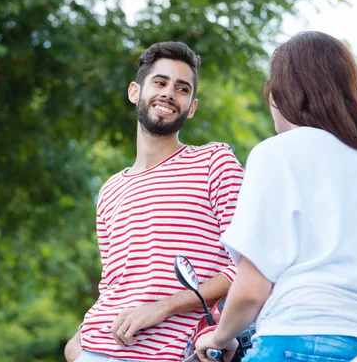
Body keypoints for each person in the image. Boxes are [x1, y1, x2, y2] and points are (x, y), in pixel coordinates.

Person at [194, 31, 357, 362]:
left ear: (284, 94)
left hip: (301, 341)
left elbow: (251, 290)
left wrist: (220, 337)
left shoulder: (277, 154)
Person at [64, 41, 245, 362]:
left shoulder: (215, 162)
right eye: (160, 82)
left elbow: (245, 268)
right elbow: (114, 283)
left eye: (182, 89)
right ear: (135, 92)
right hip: (93, 350)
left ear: (191, 107)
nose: (169, 94)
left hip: (171, 354)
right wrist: (77, 343)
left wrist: (163, 307)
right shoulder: (110, 190)